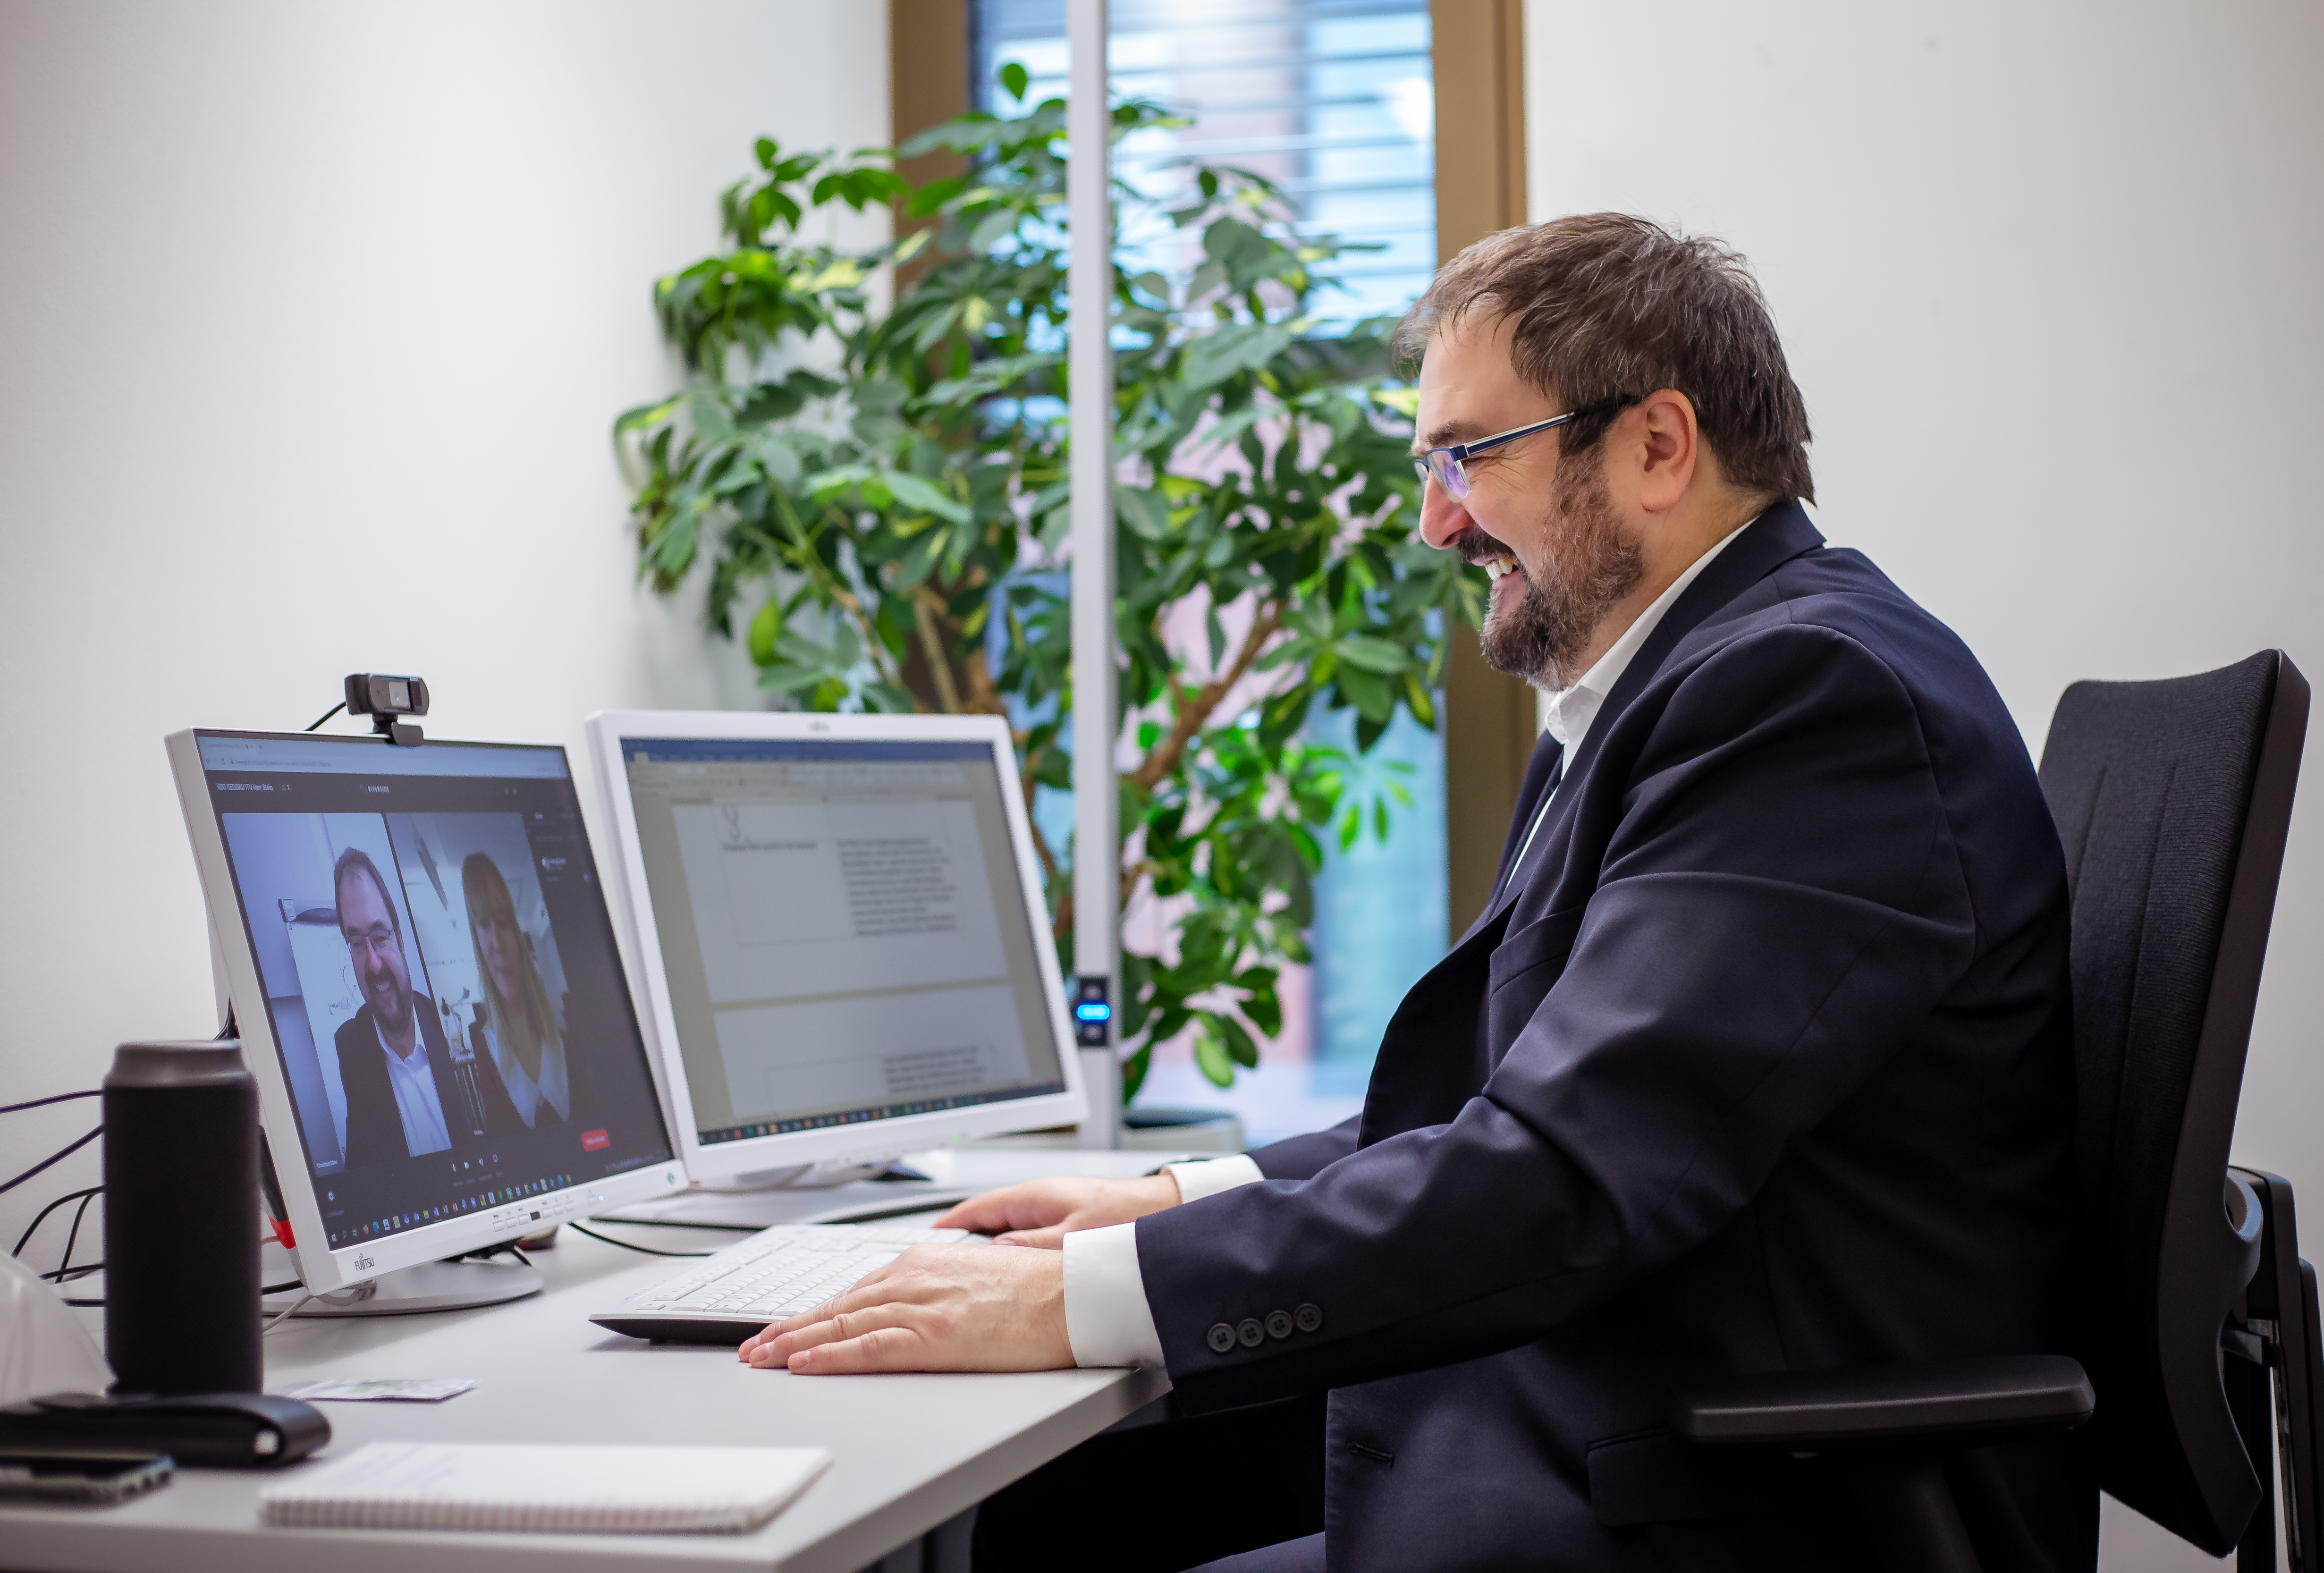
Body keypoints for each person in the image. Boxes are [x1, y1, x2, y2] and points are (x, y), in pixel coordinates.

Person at [735, 215, 2086, 1571]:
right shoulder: (1694, 678)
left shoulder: (1803, 700)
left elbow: (1556, 1177)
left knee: (1023, 1507)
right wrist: (1169, 1199)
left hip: (1713, 1499)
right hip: (1617, 1406)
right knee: (1044, 1507)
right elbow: (1513, 1104)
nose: (1436, 518)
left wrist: (1073, 1301)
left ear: (1657, 444)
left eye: (1466, 457)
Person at [331, 846, 522, 1167]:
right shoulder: (351, 1046)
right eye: (356, 944)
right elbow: (361, 1159)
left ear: (401, 939)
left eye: (380, 936)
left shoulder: (444, 1026)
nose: (373, 963)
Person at [462, 852, 571, 1130]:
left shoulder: (565, 1034)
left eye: (502, 922)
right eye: (484, 925)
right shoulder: (485, 1050)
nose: (497, 943)